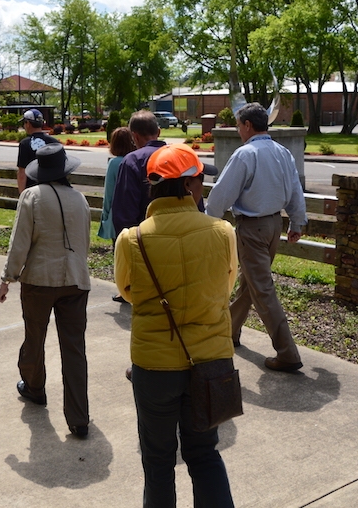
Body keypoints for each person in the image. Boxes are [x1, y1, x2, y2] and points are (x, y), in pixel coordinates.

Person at [114, 144, 234, 508]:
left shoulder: (131, 239)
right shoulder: (223, 231)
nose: (202, 188)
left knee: (158, 460)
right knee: (204, 453)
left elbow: (128, 291)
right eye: (200, 180)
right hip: (210, 362)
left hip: (155, 367)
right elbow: (225, 288)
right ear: (187, 186)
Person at [0, 143, 92, 438]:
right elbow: (84, 243)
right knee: (74, 349)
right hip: (76, 281)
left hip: (39, 280)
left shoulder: (31, 196)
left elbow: (20, 243)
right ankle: (79, 417)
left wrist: (7, 278)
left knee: (34, 339)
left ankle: (35, 388)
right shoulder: (80, 199)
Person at [205, 102, 307, 372]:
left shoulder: (245, 154)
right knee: (249, 285)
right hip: (274, 225)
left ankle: (287, 352)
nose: (238, 130)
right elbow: (295, 189)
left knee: (261, 290)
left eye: (239, 125)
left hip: (252, 228)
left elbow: (221, 194)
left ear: (248, 125)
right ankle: (229, 332)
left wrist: (207, 222)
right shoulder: (282, 152)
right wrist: (297, 220)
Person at [111, 110, 166, 234]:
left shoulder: (132, 161)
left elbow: (125, 212)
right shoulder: (179, 156)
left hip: (147, 238)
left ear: (134, 136)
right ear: (158, 132)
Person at [98, 126, 137, 242]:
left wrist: (105, 216)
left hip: (117, 216)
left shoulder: (114, 163)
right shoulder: (136, 160)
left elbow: (109, 193)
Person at [16, 108, 60, 192]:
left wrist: (22, 195)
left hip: (33, 191)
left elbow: (22, 172)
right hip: (54, 190)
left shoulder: (25, 144)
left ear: (28, 123)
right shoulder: (54, 142)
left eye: (24, 123)